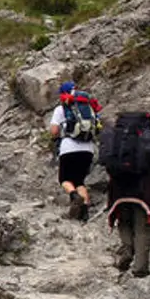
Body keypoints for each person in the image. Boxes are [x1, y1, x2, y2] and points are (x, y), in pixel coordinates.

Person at [101, 111, 150, 278]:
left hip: (119, 189)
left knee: (124, 223)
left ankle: (127, 250)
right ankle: (140, 268)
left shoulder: (116, 135)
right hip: (145, 190)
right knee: (143, 228)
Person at [49, 81, 96, 222]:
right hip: (88, 149)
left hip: (69, 148)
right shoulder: (88, 108)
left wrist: (57, 137)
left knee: (64, 179)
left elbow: (54, 131)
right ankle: (84, 213)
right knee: (79, 180)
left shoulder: (61, 109)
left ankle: (74, 196)